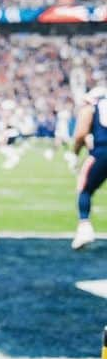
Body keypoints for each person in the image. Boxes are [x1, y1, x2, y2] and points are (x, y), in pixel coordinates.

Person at [71, 84, 107, 250]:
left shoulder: (92, 106)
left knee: (84, 189)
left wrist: (75, 153)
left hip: (101, 152)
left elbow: (80, 133)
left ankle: (84, 227)